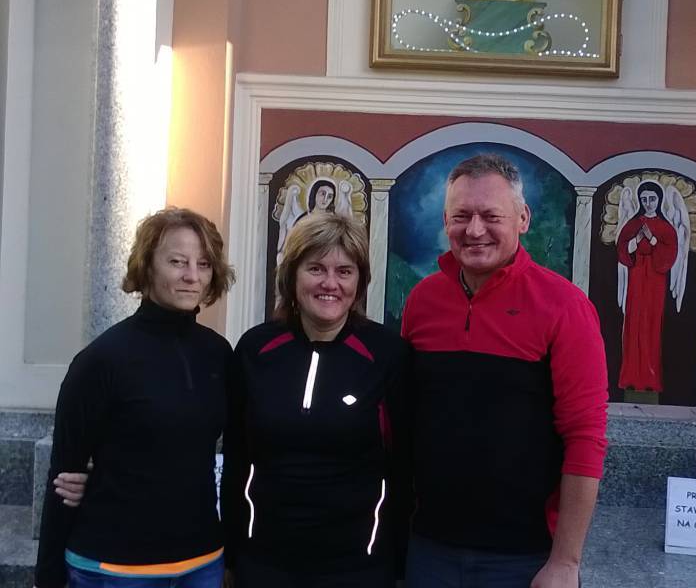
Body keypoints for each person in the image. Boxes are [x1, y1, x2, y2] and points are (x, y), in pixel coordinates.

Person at [400, 153, 608, 588]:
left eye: (491, 216)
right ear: (445, 221)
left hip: (524, 557)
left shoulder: (565, 307)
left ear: (523, 218)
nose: (474, 230)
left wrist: (565, 561)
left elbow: (585, 437)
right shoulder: (422, 302)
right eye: (461, 216)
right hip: (429, 549)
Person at [34, 208, 236, 588]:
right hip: (115, 568)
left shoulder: (219, 355)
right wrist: (46, 578)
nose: (192, 276)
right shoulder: (101, 360)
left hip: (202, 563)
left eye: (204, 264)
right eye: (177, 262)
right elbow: (63, 478)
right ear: (147, 266)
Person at [221, 213, 411, 588]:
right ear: (292, 276)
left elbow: (403, 468)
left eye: (344, 271)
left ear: (359, 282)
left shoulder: (388, 354)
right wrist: (231, 554)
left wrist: (400, 566)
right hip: (265, 563)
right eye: (316, 269)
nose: (330, 283)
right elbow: (236, 460)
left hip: (358, 567)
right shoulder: (256, 349)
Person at [614, 181, 679, 393]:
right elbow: (622, 250)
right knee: (633, 326)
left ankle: (651, 380)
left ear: (659, 200)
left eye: (652, 199)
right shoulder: (633, 225)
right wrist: (637, 239)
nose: (648, 203)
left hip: (655, 285)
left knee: (651, 327)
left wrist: (652, 241)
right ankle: (630, 378)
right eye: (644, 199)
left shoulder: (666, 228)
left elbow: (668, 257)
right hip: (636, 282)